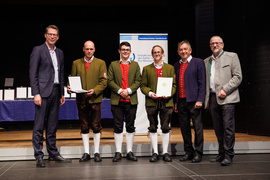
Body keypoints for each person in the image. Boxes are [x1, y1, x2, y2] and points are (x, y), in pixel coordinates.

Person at [29, 25, 71, 167]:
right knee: (39, 125)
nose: (52, 37)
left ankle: (53, 153)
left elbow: (61, 73)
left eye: (55, 35)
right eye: (50, 34)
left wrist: (62, 93)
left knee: (52, 126)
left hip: (55, 92)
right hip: (42, 93)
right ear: (45, 35)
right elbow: (33, 73)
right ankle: (39, 155)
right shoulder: (38, 50)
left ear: (58, 37)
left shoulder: (60, 52)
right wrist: (36, 93)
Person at [204, 36, 242, 166]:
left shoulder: (232, 57)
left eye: (217, 43)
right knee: (218, 128)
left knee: (228, 127)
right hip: (213, 98)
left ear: (222, 44)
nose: (215, 45)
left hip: (227, 97)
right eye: (212, 43)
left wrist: (225, 89)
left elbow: (238, 77)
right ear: (210, 46)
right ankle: (221, 153)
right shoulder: (207, 61)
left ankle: (228, 154)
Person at [67, 40, 107, 162]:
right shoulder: (76, 63)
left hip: (95, 99)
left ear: (94, 49)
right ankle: (86, 152)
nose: (89, 51)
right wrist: (69, 87)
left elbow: (104, 82)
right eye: (87, 49)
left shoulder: (101, 63)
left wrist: (94, 90)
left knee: (95, 125)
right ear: (83, 49)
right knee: (84, 126)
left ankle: (96, 152)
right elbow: (72, 79)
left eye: (91, 49)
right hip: (81, 99)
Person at [141, 45, 176, 162]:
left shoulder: (170, 68)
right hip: (152, 102)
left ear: (162, 54)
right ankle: (155, 152)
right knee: (152, 127)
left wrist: (169, 94)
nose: (157, 54)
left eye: (159, 52)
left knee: (166, 127)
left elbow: (174, 85)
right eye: (154, 52)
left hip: (166, 102)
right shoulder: (146, 69)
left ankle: (165, 152)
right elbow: (143, 86)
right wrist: (150, 93)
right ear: (152, 54)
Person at [107, 41, 141, 162]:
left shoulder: (135, 65)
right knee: (118, 126)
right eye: (123, 49)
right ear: (119, 51)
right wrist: (121, 90)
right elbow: (110, 81)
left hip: (131, 100)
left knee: (130, 126)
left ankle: (129, 151)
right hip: (117, 100)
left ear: (130, 52)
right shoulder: (113, 64)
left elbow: (138, 81)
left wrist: (128, 91)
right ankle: (118, 152)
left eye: (127, 49)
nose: (125, 51)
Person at [173, 40, 206, 163]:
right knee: (184, 128)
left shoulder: (198, 62)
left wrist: (200, 99)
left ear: (190, 50)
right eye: (181, 49)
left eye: (185, 49)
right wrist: (176, 101)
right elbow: (176, 85)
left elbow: (202, 83)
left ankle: (198, 152)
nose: (183, 51)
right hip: (181, 101)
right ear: (178, 52)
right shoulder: (176, 65)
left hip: (194, 101)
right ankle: (188, 152)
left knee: (197, 128)